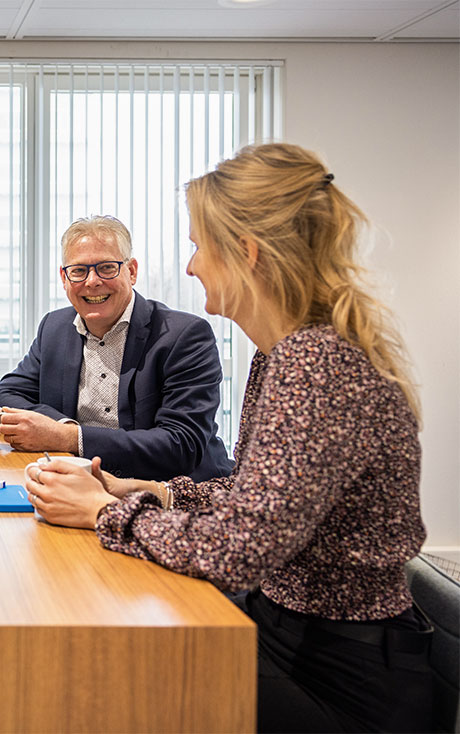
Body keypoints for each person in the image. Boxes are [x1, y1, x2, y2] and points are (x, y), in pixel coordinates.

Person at [25, 143, 432, 732]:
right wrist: (139, 490)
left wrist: (106, 514)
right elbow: (249, 493)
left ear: (246, 252)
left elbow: (238, 551)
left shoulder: (317, 365)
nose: (190, 267)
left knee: (101, 679)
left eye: (197, 246)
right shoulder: (284, 355)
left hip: (341, 673)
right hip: (292, 631)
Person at [0, 215, 232, 481]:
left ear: (132, 271)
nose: (92, 281)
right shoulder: (54, 327)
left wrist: (69, 438)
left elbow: (182, 445)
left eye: (106, 268)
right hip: (82, 485)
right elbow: (1, 397)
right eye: (79, 271)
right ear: (64, 278)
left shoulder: (184, 336)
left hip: (177, 494)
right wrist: (63, 426)